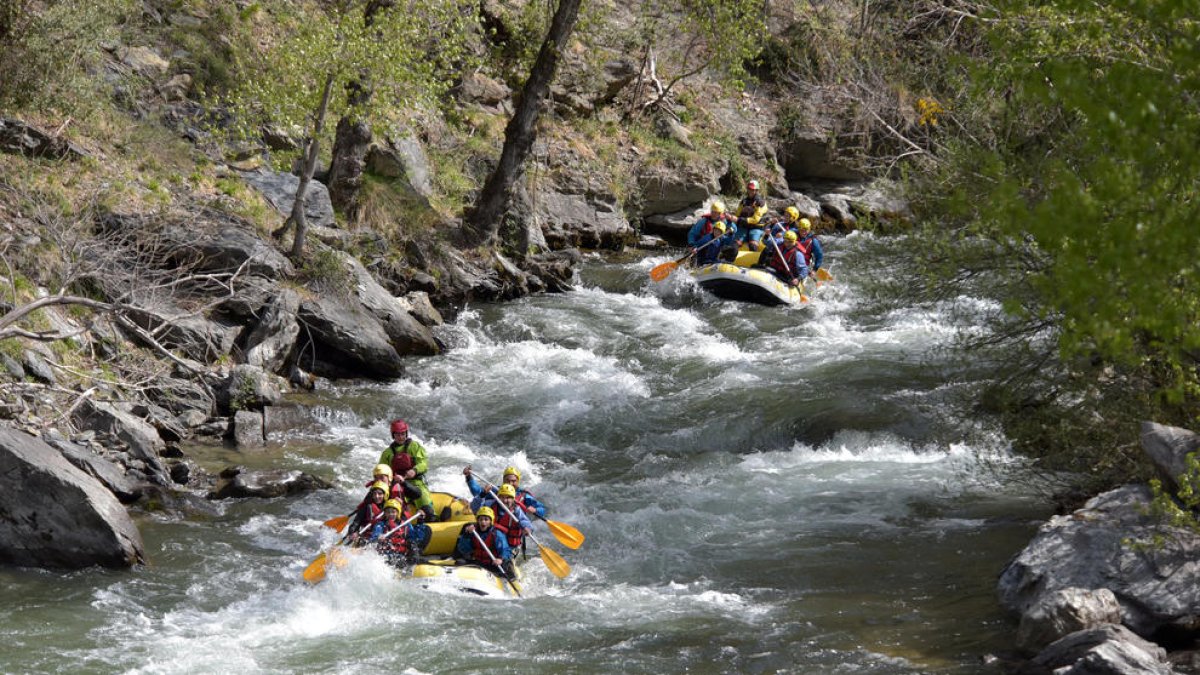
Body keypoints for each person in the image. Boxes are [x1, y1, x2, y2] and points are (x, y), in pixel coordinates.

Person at [378, 419, 436, 521]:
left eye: (403, 434)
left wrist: (415, 470)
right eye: (398, 435)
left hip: (416, 484)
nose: (401, 437)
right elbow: (382, 471)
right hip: (397, 486)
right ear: (393, 435)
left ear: (406, 433)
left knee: (428, 510)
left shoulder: (414, 446)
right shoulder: (387, 453)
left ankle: (431, 518)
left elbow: (424, 463)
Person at [454, 506, 514, 580]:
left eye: (486, 520)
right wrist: (466, 535)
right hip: (478, 562)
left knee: (506, 566)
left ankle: (509, 579)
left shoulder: (496, 534)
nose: (483, 522)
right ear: (478, 521)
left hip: (492, 564)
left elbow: (505, 549)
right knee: (460, 562)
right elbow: (463, 549)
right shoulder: (473, 532)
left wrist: (500, 559)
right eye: (481, 519)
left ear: (490, 522)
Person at [465, 465, 547, 519]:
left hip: (512, 528)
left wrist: (535, 511)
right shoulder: (495, 491)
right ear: (503, 480)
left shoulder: (524, 496)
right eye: (507, 480)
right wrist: (469, 477)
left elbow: (542, 509)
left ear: (518, 481)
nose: (510, 483)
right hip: (493, 526)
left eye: (513, 481)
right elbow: (477, 492)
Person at [368, 498, 425, 567]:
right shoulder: (381, 525)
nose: (391, 514)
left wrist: (420, 522)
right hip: (388, 555)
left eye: (393, 512)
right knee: (396, 558)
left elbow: (417, 538)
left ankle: (413, 564)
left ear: (398, 512)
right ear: (385, 513)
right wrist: (378, 537)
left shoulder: (405, 525)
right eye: (388, 512)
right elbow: (374, 536)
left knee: (412, 544)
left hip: (403, 554)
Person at [733, 180, 768, 251]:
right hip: (744, 226)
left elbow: (755, 220)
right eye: (749, 189)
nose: (750, 191)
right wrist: (733, 220)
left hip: (756, 227)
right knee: (735, 244)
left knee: (753, 246)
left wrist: (739, 220)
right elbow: (737, 214)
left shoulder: (760, 203)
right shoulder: (744, 201)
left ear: (756, 190)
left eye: (752, 190)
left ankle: (754, 259)